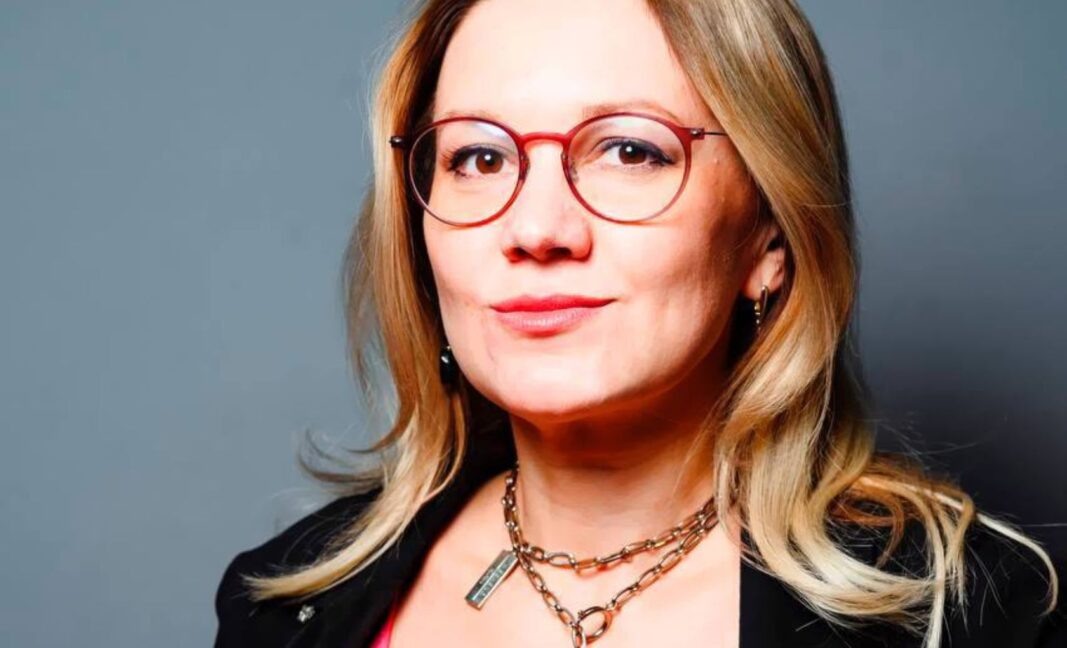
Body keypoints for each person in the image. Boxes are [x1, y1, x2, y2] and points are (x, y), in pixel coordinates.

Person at [214, 0, 1062, 646]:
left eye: (629, 150)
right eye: (479, 156)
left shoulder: (970, 615)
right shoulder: (285, 604)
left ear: (768, 239)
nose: (536, 228)